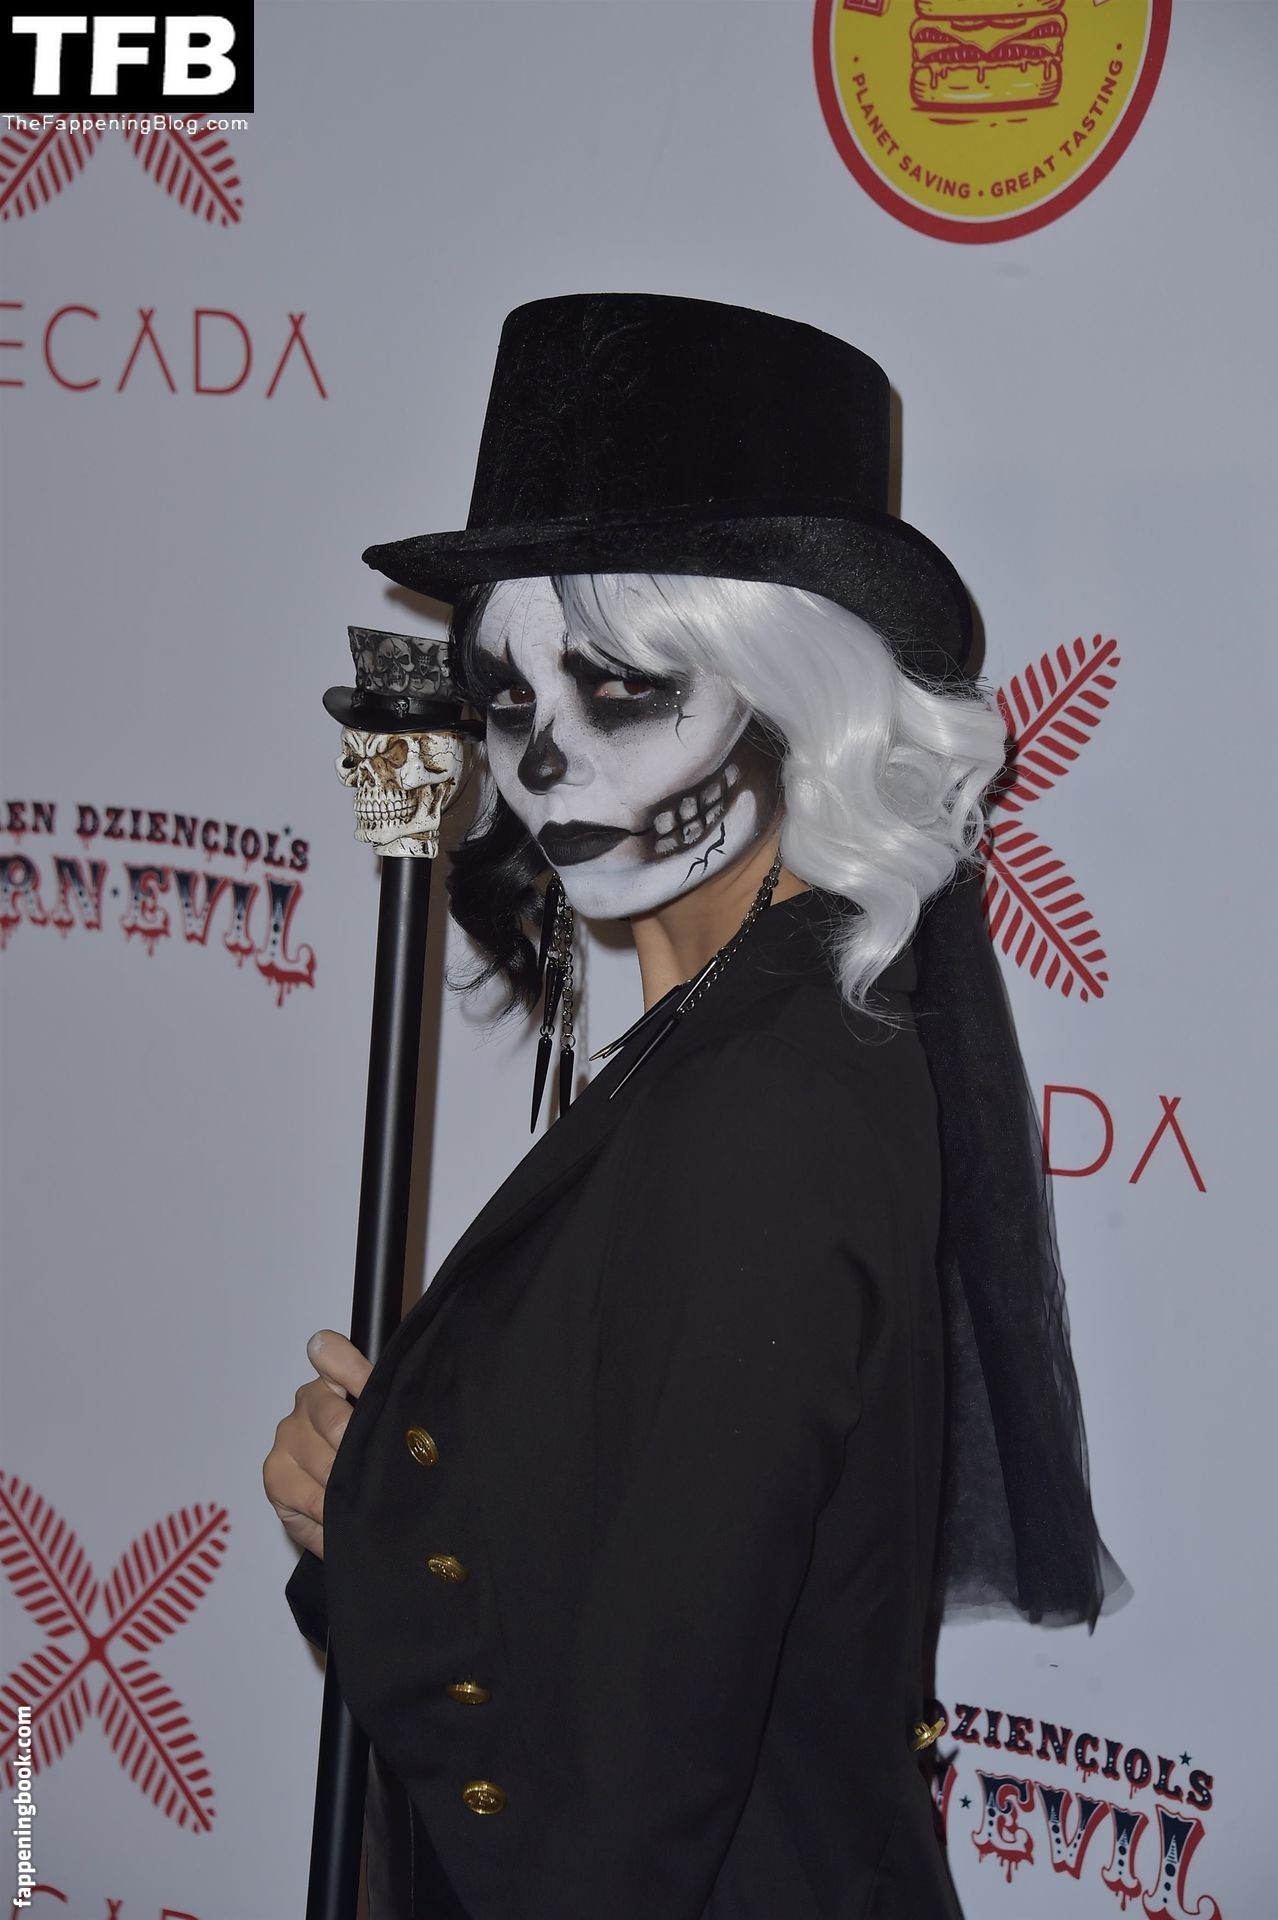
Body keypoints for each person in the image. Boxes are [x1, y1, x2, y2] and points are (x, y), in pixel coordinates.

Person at [263, 294, 1123, 1919]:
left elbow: (614, 1783)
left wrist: (366, 1530)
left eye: (621, 689)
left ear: (800, 692)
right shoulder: (720, 1041)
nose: (546, 768)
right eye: (510, 702)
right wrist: (373, 1504)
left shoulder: (772, 1108)